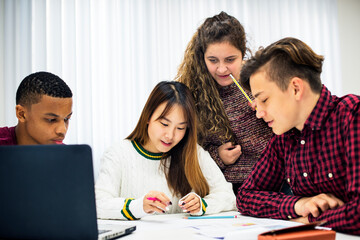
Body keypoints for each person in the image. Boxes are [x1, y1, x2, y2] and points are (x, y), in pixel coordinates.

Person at [236, 37, 360, 235]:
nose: (258, 113)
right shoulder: (285, 136)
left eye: (264, 100)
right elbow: (246, 197)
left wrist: (310, 219)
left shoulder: (352, 116)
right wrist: (299, 205)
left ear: (296, 88)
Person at [95, 81, 235, 220]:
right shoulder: (118, 153)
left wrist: (202, 205)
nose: (170, 136)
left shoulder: (194, 153)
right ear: (148, 117)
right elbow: (98, 204)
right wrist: (139, 206)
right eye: (164, 124)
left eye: (180, 128)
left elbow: (228, 196)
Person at [176, 11, 273, 194]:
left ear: (243, 54)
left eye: (230, 60)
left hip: (276, 179)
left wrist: (269, 110)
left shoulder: (260, 80)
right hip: (229, 188)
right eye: (213, 60)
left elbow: (291, 126)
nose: (222, 68)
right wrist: (218, 156)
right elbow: (190, 151)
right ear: (202, 57)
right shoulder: (195, 94)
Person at [0, 71, 73, 145]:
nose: (62, 130)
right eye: (51, 120)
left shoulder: (67, 154)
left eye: (66, 119)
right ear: (21, 114)